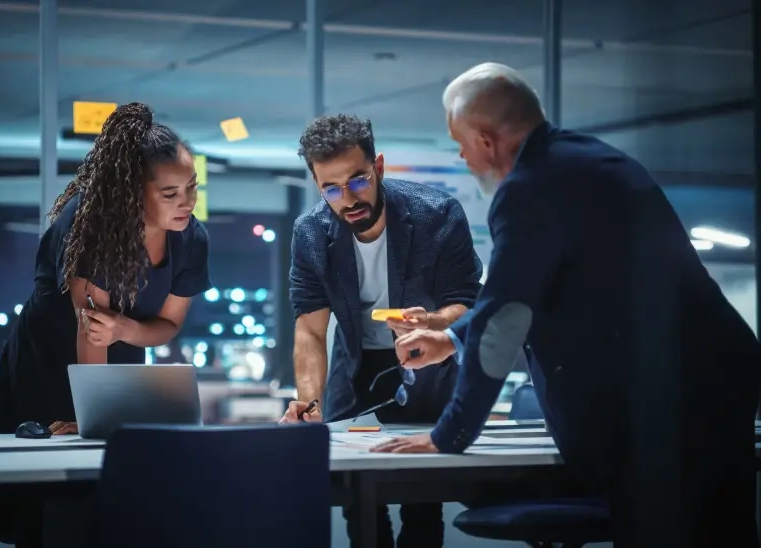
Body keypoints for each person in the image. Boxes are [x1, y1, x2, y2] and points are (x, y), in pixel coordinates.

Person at [372, 62, 761, 548]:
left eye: (462, 142)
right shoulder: (585, 162)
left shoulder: (530, 189)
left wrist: (449, 435)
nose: (461, 155)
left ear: (487, 140)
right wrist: (450, 339)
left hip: (675, 402)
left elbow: (505, 320)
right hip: (702, 384)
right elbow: (519, 294)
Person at [280, 114, 482, 548]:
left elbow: (465, 300)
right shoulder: (311, 234)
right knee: (361, 508)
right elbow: (311, 331)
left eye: (358, 180)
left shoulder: (437, 215)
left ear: (380, 167)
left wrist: (435, 321)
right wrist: (309, 401)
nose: (347, 197)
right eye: (331, 188)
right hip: (353, 377)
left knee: (422, 509)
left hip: (424, 367)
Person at [0, 102, 212, 437]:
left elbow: (168, 324)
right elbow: (92, 332)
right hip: (48, 361)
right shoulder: (92, 228)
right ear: (135, 193)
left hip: (121, 366)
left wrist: (125, 330)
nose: (188, 201)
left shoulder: (191, 239)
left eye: (192, 187)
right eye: (170, 194)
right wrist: (90, 418)